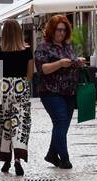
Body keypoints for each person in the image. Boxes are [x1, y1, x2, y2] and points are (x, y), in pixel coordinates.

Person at [34, 14, 85, 169]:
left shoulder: (67, 47)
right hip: (50, 92)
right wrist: (60, 63)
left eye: (64, 30)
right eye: (58, 30)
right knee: (60, 122)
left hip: (69, 92)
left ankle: (51, 154)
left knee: (62, 126)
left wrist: (77, 62)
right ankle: (64, 158)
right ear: (52, 30)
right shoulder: (43, 47)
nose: (61, 33)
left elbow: (70, 63)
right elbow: (43, 69)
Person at [0, 19, 34, 175]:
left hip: (3, 89)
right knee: (20, 123)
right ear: (19, 32)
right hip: (20, 88)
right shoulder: (27, 51)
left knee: (6, 124)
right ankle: (18, 159)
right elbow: (29, 75)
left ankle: (6, 159)